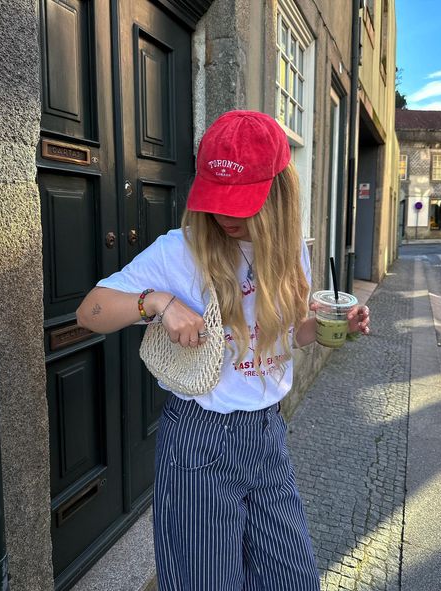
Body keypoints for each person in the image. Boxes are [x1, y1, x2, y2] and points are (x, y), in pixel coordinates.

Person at [76, 110, 370, 590]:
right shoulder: (180, 251)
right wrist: (156, 302)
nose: (226, 216)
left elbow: (286, 335)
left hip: (267, 435)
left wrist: (329, 327)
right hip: (200, 443)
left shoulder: (291, 250)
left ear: (278, 193)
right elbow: (89, 312)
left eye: (243, 202)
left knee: (292, 580)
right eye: (218, 199)